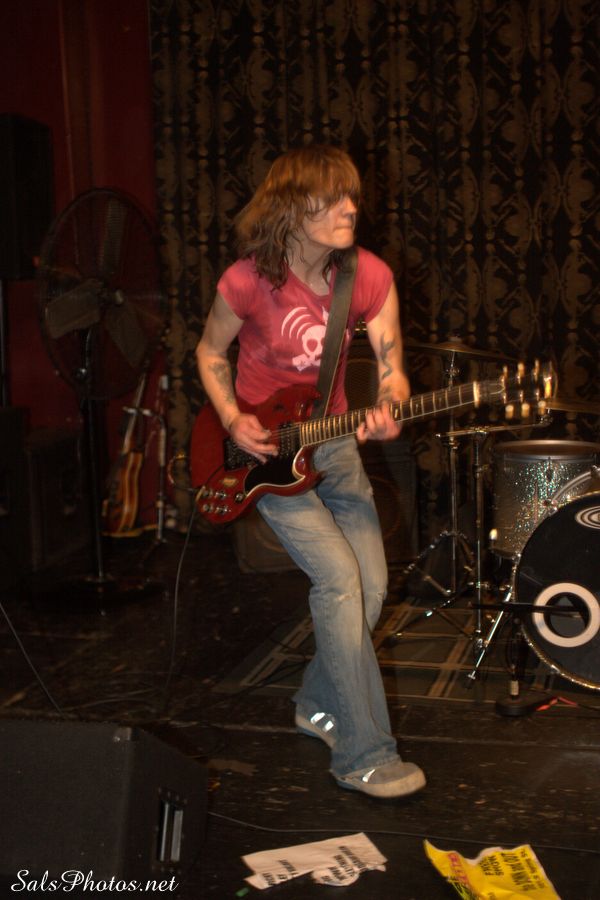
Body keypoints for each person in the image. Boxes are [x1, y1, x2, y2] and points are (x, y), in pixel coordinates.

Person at [196, 145, 426, 799]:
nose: (351, 207)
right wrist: (232, 416)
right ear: (292, 208)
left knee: (371, 589)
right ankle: (364, 756)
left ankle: (318, 704)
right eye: (333, 198)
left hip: (334, 446)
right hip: (266, 457)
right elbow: (209, 352)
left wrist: (391, 403)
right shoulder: (247, 280)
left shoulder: (368, 276)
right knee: (339, 583)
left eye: (352, 196)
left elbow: (393, 370)